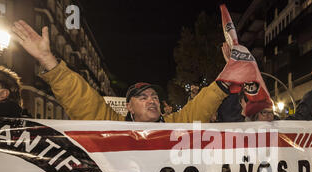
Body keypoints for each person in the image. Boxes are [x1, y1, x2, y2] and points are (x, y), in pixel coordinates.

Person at [12, 20, 230, 123]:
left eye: (154, 96)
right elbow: (80, 98)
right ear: (129, 107)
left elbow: (201, 108)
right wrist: (47, 59)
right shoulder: (111, 125)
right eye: (142, 97)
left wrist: (227, 77)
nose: (152, 100)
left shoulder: (175, 125)